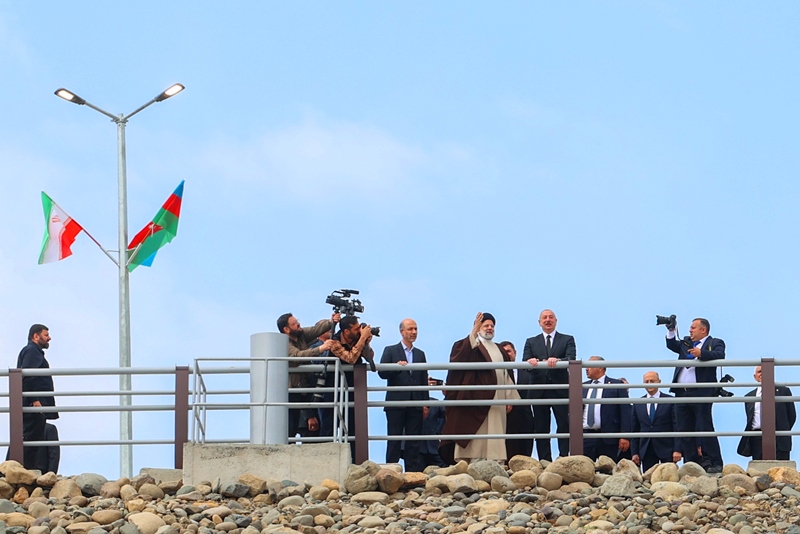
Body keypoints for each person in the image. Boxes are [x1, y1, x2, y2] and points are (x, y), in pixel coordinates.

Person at [440, 313, 519, 463]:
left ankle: (496, 461)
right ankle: (473, 459)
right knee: (476, 432)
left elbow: (506, 374)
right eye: (485, 325)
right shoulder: (472, 344)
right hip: (476, 398)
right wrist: (474, 331)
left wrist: (510, 397)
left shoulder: (500, 349)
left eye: (491, 326)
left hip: (498, 400)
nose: (489, 328)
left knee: (496, 429)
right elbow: (460, 356)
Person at [665, 317, 725, 473]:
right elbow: (672, 345)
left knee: (705, 427)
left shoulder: (715, 342)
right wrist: (671, 330)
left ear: (703, 330)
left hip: (701, 392)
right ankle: (691, 463)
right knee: (684, 430)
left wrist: (701, 353)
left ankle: (715, 461)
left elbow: (720, 355)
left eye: (693, 327)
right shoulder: (686, 342)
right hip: (681, 392)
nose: (690, 330)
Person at [520, 309, 576, 461]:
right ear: (539, 322)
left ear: (556, 321)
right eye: (544, 318)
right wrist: (531, 362)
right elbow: (525, 362)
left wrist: (558, 360)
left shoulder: (567, 339)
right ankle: (545, 460)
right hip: (539, 391)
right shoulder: (531, 341)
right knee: (541, 427)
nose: (548, 320)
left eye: (551, 317)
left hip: (560, 389)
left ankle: (564, 457)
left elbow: (571, 358)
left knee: (563, 424)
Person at [277, 312, 340, 440]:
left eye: (297, 320)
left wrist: (332, 321)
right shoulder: (284, 343)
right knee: (290, 427)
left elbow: (316, 329)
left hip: (304, 388)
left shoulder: (300, 335)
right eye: (294, 323)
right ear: (286, 329)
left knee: (306, 424)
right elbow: (296, 356)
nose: (298, 324)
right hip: (291, 390)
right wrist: (321, 349)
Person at [378, 318, 428, 472]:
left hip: (415, 402)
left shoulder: (420, 354)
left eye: (415, 329)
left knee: (413, 440)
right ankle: (391, 472)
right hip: (396, 402)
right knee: (394, 438)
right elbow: (382, 373)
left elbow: (423, 379)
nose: (413, 332)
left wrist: (426, 403)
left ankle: (412, 473)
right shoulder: (390, 350)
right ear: (402, 331)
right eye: (410, 329)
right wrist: (396, 367)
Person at [329, 315, 375, 461]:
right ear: (346, 331)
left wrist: (366, 340)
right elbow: (350, 358)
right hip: (333, 390)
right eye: (356, 329)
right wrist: (362, 340)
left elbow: (370, 356)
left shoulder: (356, 339)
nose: (358, 331)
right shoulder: (334, 342)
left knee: (353, 427)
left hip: (352, 389)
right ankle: (329, 461)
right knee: (330, 427)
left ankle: (354, 462)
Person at [16, 324, 59, 472]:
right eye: (46, 335)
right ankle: (16, 470)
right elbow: (27, 376)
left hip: (34, 403)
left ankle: (20, 470)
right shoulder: (32, 351)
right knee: (29, 438)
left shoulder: (33, 352)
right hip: (34, 404)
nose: (49, 338)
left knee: (30, 438)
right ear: (36, 336)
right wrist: (35, 400)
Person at [737, 365, 797, 461]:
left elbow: (792, 416)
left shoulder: (783, 391)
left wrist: (782, 430)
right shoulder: (749, 396)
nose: (762, 374)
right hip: (757, 439)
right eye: (759, 371)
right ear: (755, 377)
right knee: (759, 473)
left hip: (779, 437)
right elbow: (750, 418)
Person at [582, 356, 631, 461]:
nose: (586, 369)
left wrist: (625, 436)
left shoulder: (616, 385)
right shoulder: (582, 387)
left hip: (608, 438)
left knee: (607, 472)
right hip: (586, 437)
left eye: (589, 366)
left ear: (600, 367)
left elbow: (625, 412)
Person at [630, 371, 681, 472]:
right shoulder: (638, 404)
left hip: (667, 449)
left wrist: (677, 449)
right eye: (647, 381)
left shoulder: (670, 401)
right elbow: (635, 430)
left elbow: (677, 426)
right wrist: (634, 453)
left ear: (659, 382)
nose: (649, 384)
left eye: (652, 381)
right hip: (646, 450)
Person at [499, 341, 534, 458]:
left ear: (515, 353)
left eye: (508, 351)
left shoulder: (527, 371)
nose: (507, 354)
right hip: (504, 417)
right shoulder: (495, 373)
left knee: (525, 450)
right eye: (503, 352)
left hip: (524, 417)